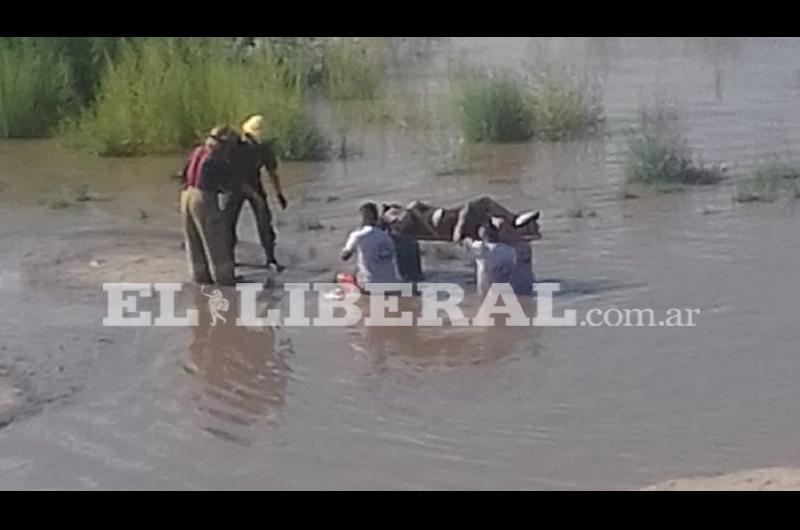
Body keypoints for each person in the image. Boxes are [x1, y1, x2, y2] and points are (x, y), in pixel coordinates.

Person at [228, 114, 289, 271]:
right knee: (228, 222)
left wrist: (279, 194)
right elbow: (232, 173)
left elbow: (272, 173)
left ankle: (270, 258)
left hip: (254, 183)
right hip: (235, 185)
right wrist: (253, 195)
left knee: (264, 220)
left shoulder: (265, 149)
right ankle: (228, 258)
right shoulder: (236, 147)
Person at [180, 126, 238, 286]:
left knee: (194, 239)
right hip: (203, 197)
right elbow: (229, 184)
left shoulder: (198, 151)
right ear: (223, 143)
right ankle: (224, 279)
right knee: (216, 238)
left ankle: (200, 277)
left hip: (186, 195)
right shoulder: (216, 158)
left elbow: (183, 174)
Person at [340, 202, 400, 292]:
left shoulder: (357, 235)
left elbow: (344, 257)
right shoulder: (387, 235)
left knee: (341, 278)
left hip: (368, 283)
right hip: (391, 282)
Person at [462, 219, 517, 296]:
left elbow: (465, 252)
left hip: (485, 286)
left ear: (482, 235)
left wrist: (466, 241)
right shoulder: (509, 250)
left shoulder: (480, 246)